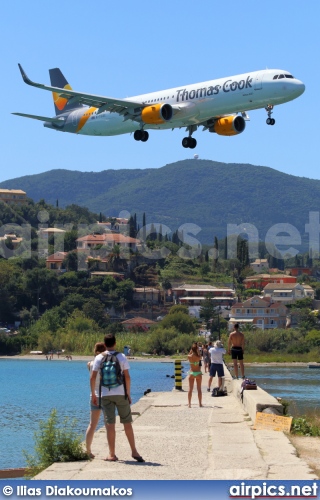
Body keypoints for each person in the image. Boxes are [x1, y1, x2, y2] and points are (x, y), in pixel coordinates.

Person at [90, 334, 144, 462]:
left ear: (105, 344)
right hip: (121, 393)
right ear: (115, 343)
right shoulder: (121, 357)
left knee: (110, 424)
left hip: (105, 395)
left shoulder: (99, 358)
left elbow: (92, 377)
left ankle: (112, 454)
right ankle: (134, 451)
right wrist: (128, 393)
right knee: (127, 423)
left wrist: (93, 394)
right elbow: (127, 377)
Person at [85, 342, 106, 458]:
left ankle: (88, 450)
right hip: (105, 395)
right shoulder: (106, 364)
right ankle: (111, 451)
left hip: (93, 395)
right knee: (108, 423)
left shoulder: (90, 364)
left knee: (92, 424)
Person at [187, 342, 203, 408]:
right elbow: (200, 356)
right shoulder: (198, 357)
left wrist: (192, 349)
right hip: (198, 373)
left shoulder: (189, 357)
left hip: (192, 372)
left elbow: (189, 354)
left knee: (190, 389)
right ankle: (200, 404)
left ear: (191, 350)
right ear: (196, 350)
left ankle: (189, 404)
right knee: (199, 389)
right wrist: (198, 350)